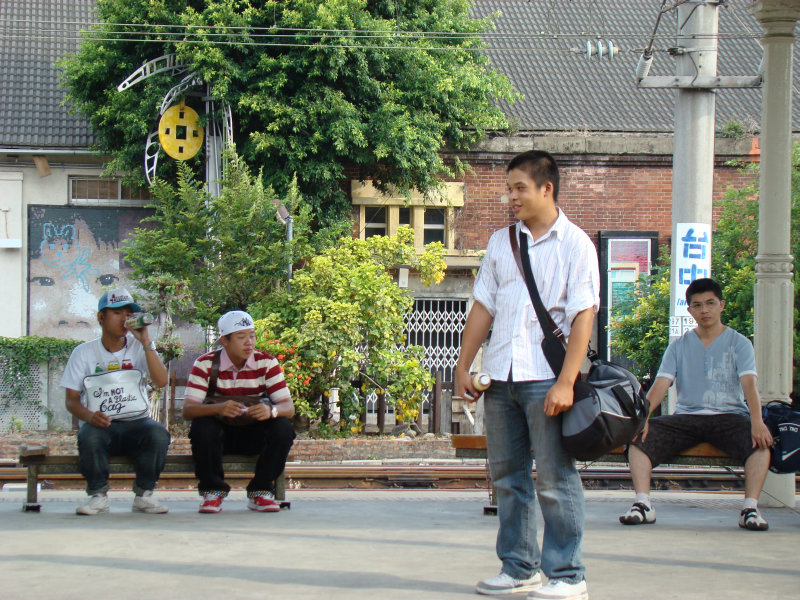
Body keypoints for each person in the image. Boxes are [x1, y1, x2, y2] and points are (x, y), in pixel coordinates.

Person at [456, 150, 599, 600]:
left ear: (546, 189)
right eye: (508, 187)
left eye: (519, 187)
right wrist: (464, 364)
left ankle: (568, 575)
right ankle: (519, 567)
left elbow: (582, 317)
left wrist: (566, 382)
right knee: (508, 478)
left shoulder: (575, 244)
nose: (510, 196)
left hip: (545, 378)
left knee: (555, 479)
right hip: (501, 376)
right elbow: (484, 307)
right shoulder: (503, 242)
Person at [619, 277, 773, 531]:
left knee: (762, 445)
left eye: (710, 303)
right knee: (638, 439)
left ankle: (750, 508)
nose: (705, 310)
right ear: (689, 309)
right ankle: (643, 504)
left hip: (730, 416)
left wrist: (757, 422)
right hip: (686, 418)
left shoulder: (740, 343)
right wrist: (642, 418)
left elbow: (749, 386)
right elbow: (660, 386)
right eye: (697, 305)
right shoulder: (678, 346)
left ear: (722, 305)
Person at [60, 287, 170, 515]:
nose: (125, 320)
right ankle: (98, 496)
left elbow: (161, 382)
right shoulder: (83, 353)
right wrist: (90, 416)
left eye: (128, 314)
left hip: (137, 422)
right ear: (101, 317)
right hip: (101, 424)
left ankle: (144, 494)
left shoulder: (140, 347)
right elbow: (71, 401)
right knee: (88, 435)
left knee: (158, 434)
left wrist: (146, 342)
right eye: (117, 313)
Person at [183, 310, 295, 513]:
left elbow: (288, 407)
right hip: (219, 438)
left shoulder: (267, 363)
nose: (249, 343)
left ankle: (261, 491)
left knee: (283, 428)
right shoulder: (205, 364)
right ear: (224, 341)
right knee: (203, 427)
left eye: (252, 335)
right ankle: (212, 492)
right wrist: (218, 408)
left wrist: (271, 411)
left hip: (253, 437)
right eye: (241, 337)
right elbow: (188, 410)